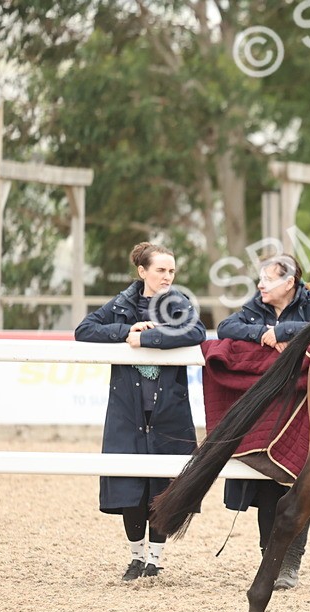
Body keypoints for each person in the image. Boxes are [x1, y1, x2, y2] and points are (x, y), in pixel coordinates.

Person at [75, 241, 205, 580]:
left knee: (164, 486)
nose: (167, 277)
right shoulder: (121, 305)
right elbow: (84, 330)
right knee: (128, 484)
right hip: (127, 411)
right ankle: (136, 557)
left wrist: (149, 339)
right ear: (142, 271)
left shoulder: (179, 304)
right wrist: (124, 332)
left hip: (168, 411)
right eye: (160, 270)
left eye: (172, 271)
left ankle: (155, 560)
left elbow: (197, 332)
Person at [216, 254, 310, 589]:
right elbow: (228, 327)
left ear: (290, 282)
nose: (260, 285)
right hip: (270, 404)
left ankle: (290, 563)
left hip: (304, 405)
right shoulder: (257, 305)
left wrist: (283, 331)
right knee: (266, 479)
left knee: (299, 481)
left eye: (268, 279)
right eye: (261, 279)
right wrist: (265, 334)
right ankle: (271, 559)